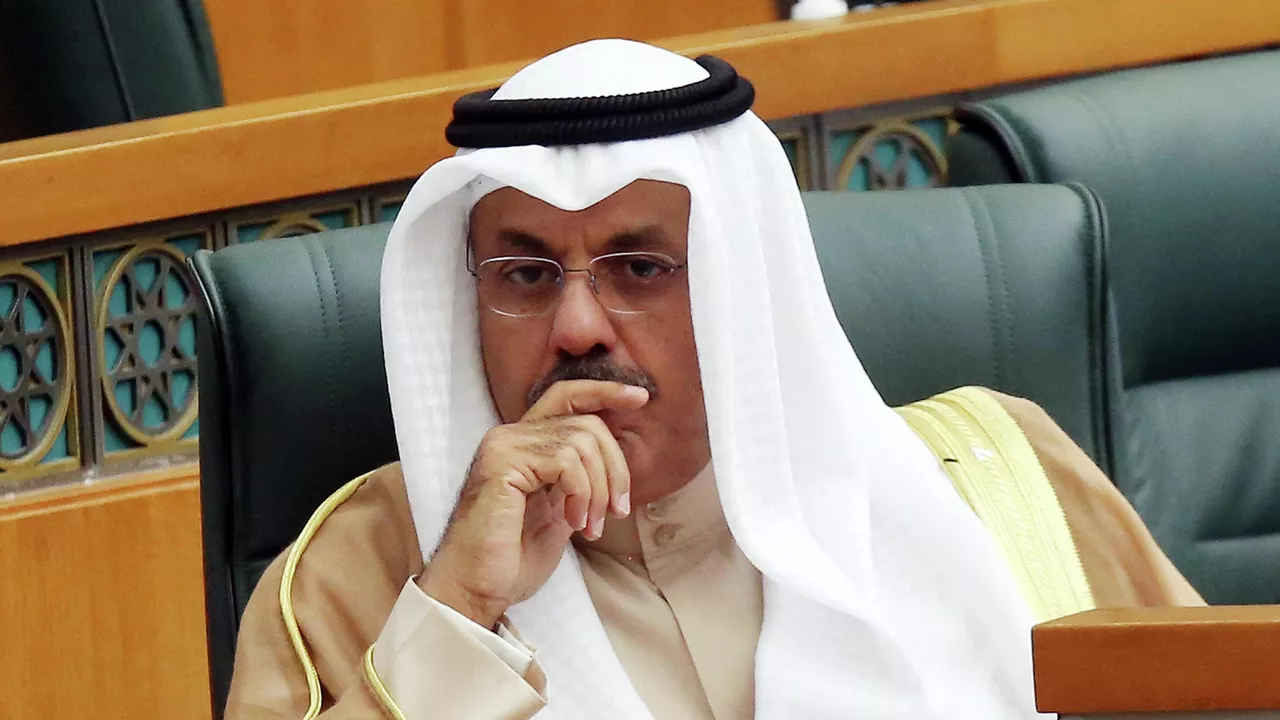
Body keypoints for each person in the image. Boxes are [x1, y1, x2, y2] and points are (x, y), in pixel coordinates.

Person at [224, 40, 1202, 720]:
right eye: (524, 275)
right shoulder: (358, 572)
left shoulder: (999, 481)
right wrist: (455, 613)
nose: (575, 328)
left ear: (743, 289)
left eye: (641, 269)